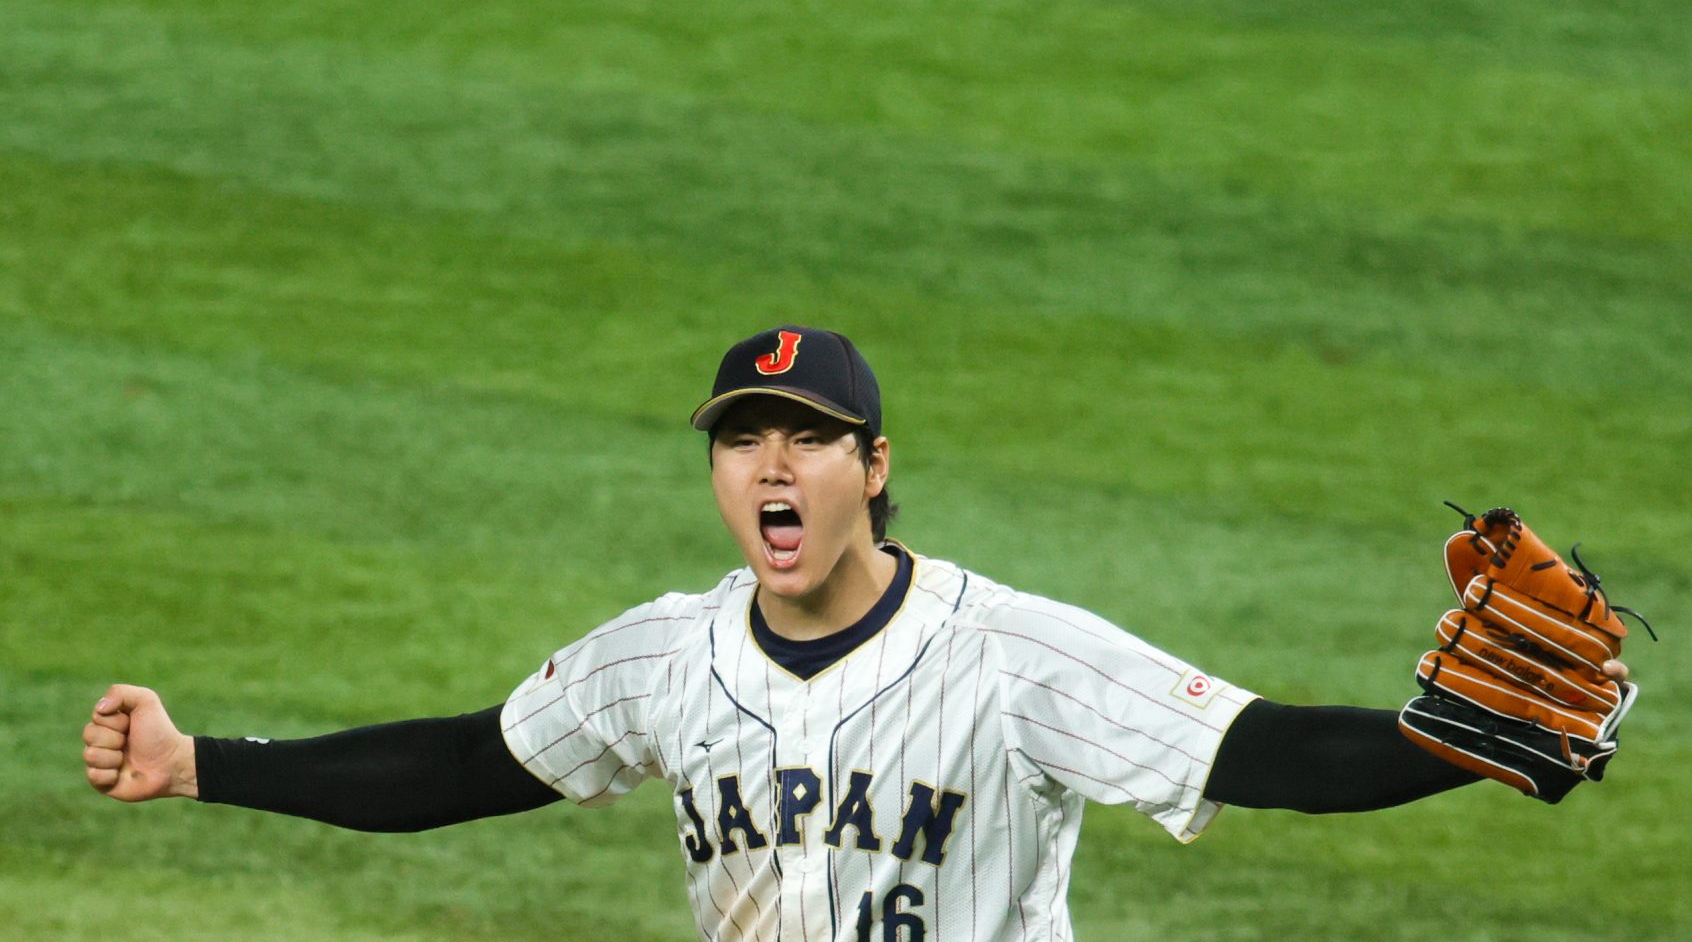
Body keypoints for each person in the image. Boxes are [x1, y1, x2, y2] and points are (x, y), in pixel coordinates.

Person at [82, 326, 1630, 941]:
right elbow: (465, 766)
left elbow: (1267, 751)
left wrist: (1459, 746)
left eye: (809, 438)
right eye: (743, 437)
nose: (772, 465)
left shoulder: (1015, 655)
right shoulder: (658, 659)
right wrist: (202, 763)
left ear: (872, 469)